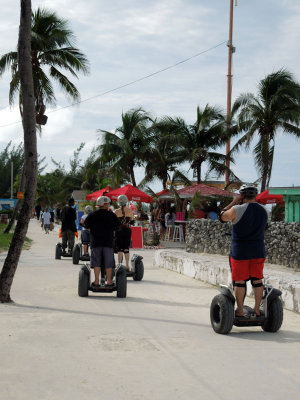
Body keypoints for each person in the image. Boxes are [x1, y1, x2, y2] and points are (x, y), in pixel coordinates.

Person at [219, 184, 268, 317]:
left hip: (240, 251)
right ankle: (257, 309)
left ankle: (240, 310)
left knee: (240, 281)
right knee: (257, 280)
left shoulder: (237, 209)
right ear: (255, 195)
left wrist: (233, 202)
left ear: (242, 195)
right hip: (258, 250)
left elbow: (222, 217)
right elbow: (265, 227)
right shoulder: (264, 210)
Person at [84, 196, 120, 287]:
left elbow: (85, 225)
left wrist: (92, 229)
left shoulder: (92, 214)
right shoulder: (112, 215)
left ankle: (96, 282)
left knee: (96, 262)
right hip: (108, 242)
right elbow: (118, 227)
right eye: (108, 203)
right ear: (105, 204)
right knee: (109, 263)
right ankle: (109, 282)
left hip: (96, 242)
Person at [114, 195, 134, 271]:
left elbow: (114, 222)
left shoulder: (116, 211)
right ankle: (127, 265)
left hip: (119, 231)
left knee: (120, 249)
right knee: (126, 248)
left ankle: (119, 264)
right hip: (127, 231)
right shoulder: (130, 211)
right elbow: (132, 221)